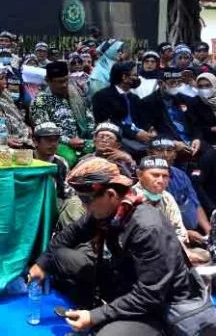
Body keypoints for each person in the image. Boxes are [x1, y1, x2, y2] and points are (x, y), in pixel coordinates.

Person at [28, 157, 216, 336]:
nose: (85, 207)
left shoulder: (148, 228)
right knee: (59, 256)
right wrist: (41, 264)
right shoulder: (106, 211)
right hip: (124, 282)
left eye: (86, 201)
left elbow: (150, 295)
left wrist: (95, 316)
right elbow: (68, 236)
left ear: (110, 195)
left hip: (158, 307)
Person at [133, 156, 211, 265]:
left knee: (205, 256)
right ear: (139, 175)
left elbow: (178, 231)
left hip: (172, 249)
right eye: (155, 175)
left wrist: (186, 252)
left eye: (165, 176)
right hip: (144, 257)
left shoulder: (167, 197)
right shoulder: (132, 198)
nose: (160, 180)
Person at [149, 138, 213, 244]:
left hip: (194, 233)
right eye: (159, 150)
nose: (165, 154)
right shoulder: (146, 181)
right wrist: (184, 234)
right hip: (165, 239)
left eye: (169, 150)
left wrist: (209, 232)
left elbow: (195, 204)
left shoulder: (181, 175)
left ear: (175, 154)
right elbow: (154, 220)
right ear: (149, 153)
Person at [30, 61, 95, 167]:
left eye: (66, 80)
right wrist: (68, 141)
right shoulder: (41, 101)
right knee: (70, 159)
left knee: (105, 149)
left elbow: (89, 119)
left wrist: (93, 137)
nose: (64, 85)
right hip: (57, 143)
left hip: (81, 140)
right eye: (60, 82)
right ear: (48, 81)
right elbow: (44, 131)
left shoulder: (75, 94)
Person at [92, 61, 153, 156]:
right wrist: (134, 134)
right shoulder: (102, 96)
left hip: (139, 136)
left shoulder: (134, 98)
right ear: (124, 77)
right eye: (135, 75)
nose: (137, 78)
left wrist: (149, 130)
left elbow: (142, 120)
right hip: (117, 137)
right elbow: (108, 122)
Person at [33, 122, 69, 203]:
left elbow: (66, 192)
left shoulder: (61, 163)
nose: (53, 144)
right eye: (48, 140)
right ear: (35, 141)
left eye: (56, 140)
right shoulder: (27, 161)